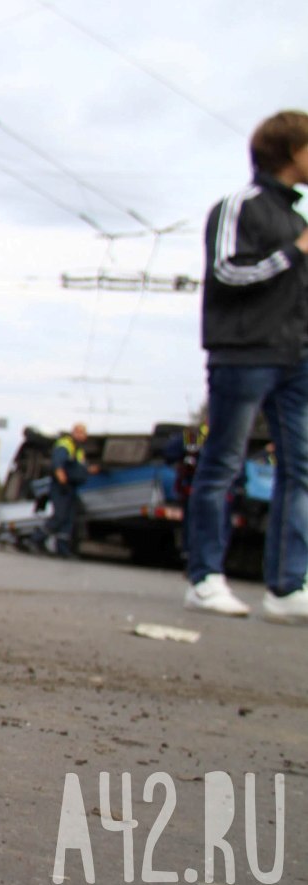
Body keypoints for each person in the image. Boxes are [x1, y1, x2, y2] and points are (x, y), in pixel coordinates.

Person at [183, 110, 308, 622]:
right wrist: (293, 254)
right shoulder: (239, 206)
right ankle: (205, 578)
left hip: (294, 358)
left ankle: (285, 587)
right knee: (222, 465)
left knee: (299, 470)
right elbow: (225, 271)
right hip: (243, 353)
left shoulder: (297, 220)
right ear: (290, 151)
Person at [28, 423, 95, 557]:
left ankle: (62, 548)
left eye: (83, 433)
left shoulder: (79, 450)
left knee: (69, 518)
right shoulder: (65, 444)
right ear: (73, 432)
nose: (81, 435)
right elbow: (58, 464)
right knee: (59, 516)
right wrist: (62, 481)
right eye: (79, 432)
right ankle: (36, 539)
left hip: (72, 487)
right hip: (61, 487)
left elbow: (78, 468)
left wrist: (91, 470)